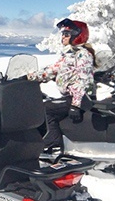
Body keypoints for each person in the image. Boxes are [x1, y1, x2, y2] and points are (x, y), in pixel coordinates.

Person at [30, 18, 96, 157]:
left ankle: (53, 144)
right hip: (72, 97)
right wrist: (28, 77)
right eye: (63, 34)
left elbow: (83, 79)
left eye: (67, 33)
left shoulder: (83, 54)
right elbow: (53, 69)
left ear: (77, 35)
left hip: (80, 98)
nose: (63, 37)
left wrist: (76, 105)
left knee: (45, 109)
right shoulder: (70, 54)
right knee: (45, 104)